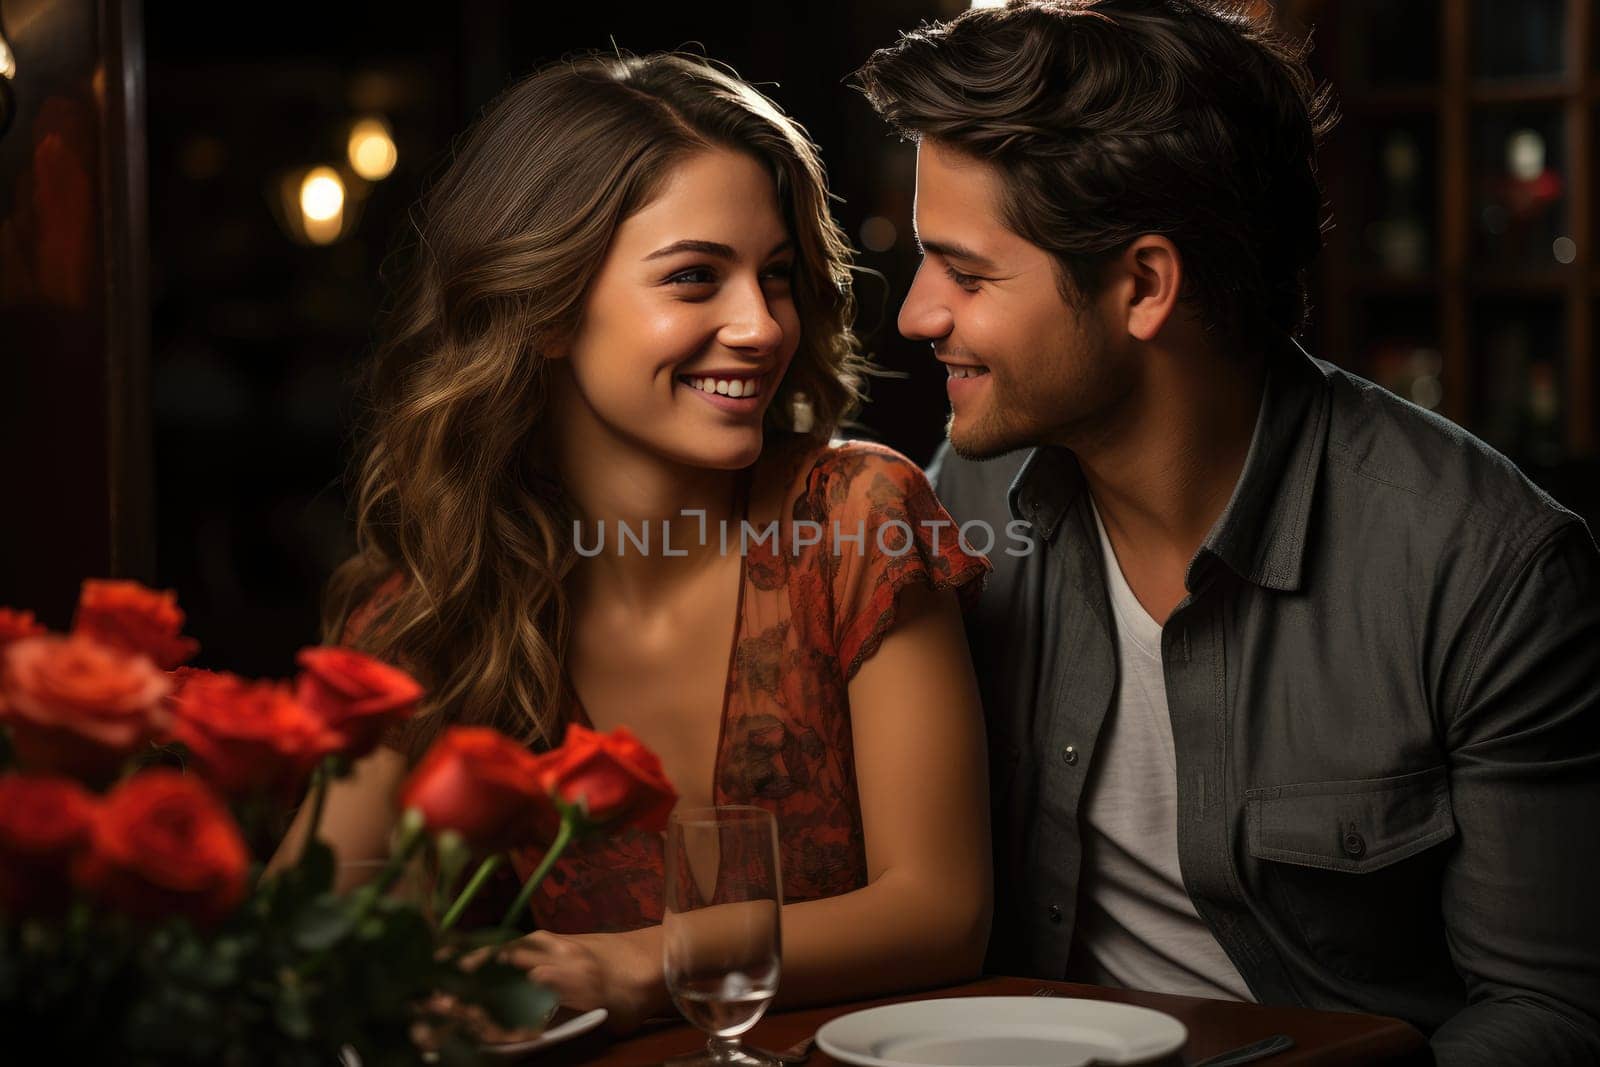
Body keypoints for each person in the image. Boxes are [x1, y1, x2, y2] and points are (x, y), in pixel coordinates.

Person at [853, 2, 1600, 1063]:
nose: (918, 313)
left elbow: (1551, 1015)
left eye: (966, 274)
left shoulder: (1487, 568)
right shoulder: (971, 495)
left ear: (1144, 286)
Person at [271, 52, 992, 1032]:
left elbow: (941, 912)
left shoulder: (854, 516)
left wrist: (626, 968)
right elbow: (296, 939)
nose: (760, 325)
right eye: (696, 277)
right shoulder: (430, 605)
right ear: (547, 305)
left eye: (775, 276)